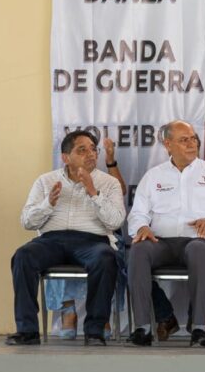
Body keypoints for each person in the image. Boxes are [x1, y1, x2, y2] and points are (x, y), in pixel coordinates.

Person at [7, 130, 125, 346]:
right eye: (82, 150)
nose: (90, 154)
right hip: (52, 240)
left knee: (106, 258)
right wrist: (48, 204)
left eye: (93, 149)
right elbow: (27, 222)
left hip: (92, 241)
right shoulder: (45, 181)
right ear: (65, 157)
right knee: (23, 256)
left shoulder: (108, 183)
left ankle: (95, 330)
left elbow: (116, 221)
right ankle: (27, 331)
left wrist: (93, 192)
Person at [127, 121, 205, 347]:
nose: (191, 144)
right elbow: (137, 213)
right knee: (138, 250)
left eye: (193, 139)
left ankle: (199, 328)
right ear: (168, 144)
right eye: (183, 140)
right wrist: (142, 227)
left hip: (199, 241)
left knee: (197, 249)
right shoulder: (153, 176)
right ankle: (143, 328)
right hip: (161, 242)